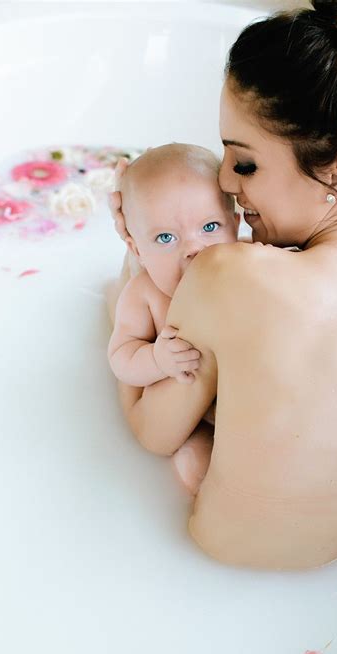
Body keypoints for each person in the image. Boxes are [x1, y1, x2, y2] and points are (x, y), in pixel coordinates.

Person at [107, 0, 337, 570]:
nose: (226, 182)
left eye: (246, 163)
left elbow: (150, 431)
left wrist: (133, 269)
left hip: (221, 563)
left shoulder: (231, 276)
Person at [107, 143, 239, 494]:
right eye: (165, 238)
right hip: (180, 409)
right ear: (137, 249)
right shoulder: (145, 294)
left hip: (232, 406)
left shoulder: (245, 272)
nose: (193, 249)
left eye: (211, 227)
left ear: (235, 226)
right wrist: (157, 359)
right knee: (196, 457)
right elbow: (121, 356)